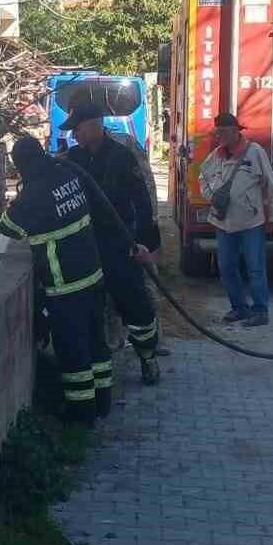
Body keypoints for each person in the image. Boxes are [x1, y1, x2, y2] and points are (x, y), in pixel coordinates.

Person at [0, 137, 111, 425]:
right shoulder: (67, 174)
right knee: (97, 343)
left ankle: (81, 414)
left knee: (73, 353)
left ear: (21, 164)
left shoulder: (33, 194)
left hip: (65, 285)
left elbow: (6, 227)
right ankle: (102, 402)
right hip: (93, 274)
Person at [60, 104, 165, 386]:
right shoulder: (73, 158)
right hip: (87, 246)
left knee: (135, 303)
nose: (75, 135)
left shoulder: (121, 156)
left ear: (94, 125)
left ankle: (147, 356)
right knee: (92, 308)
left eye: (78, 129)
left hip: (120, 244)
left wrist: (144, 242)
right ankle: (101, 366)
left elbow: (142, 201)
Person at [198, 112, 273, 327]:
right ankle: (239, 308)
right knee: (226, 267)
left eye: (224, 132)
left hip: (251, 223)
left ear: (236, 131)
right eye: (218, 133)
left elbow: (271, 185)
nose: (220, 137)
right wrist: (212, 198)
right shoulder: (216, 156)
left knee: (255, 267)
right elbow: (203, 178)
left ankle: (260, 311)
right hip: (223, 222)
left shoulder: (254, 152)